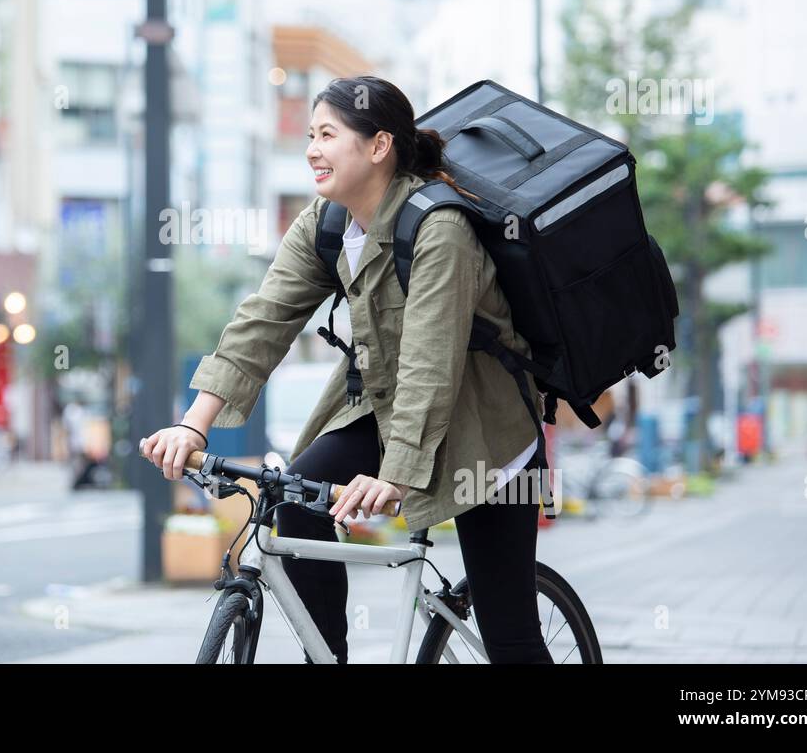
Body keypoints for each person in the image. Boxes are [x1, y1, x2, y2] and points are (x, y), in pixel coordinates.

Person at [141, 74, 554, 664]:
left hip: (485, 437)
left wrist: (397, 476)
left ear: (379, 145)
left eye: (327, 134)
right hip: (385, 411)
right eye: (310, 134)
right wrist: (194, 423)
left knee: (509, 634)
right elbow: (263, 321)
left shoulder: (440, 229)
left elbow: (430, 366)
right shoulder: (325, 223)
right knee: (296, 502)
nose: (312, 148)